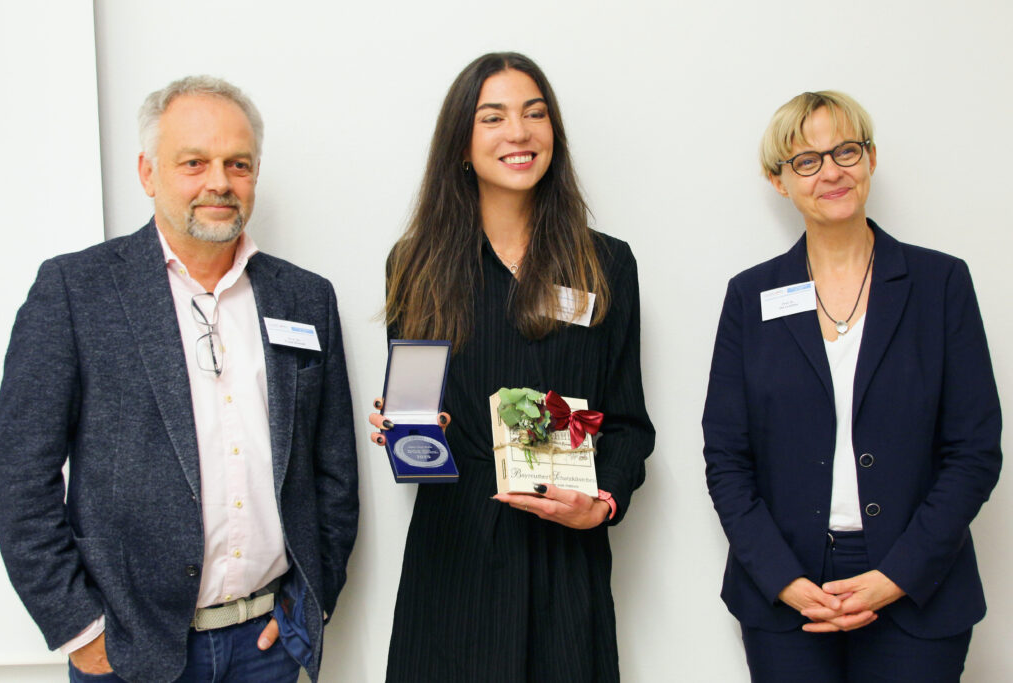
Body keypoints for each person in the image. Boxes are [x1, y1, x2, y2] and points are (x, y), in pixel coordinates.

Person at [0, 75, 358, 682]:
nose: (219, 181)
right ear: (147, 172)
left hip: (267, 646)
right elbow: (19, 476)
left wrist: (308, 606)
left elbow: (334, 472)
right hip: (131, 654)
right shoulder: (76, 292)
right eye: (194, 162)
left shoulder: (304, 298)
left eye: (237, 164)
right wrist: (79, 628)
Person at [367, 52, 654, 681]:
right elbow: (417, 414)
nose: (518, 133)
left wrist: (604, 502)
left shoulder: (605, 265)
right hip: (456, 558)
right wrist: (410, 431)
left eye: (534, 114)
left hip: (565, 561)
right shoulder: (417, 265)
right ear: (462, 146)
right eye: (492, 117)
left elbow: (630, 423)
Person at [702, 90, 1002, 682]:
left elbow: (973, 451)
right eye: (806, 160)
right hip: (785, 590)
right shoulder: (750, 296)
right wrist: (782, 578)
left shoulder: (941, 283)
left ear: (870, 158)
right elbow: (726, 457)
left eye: (845, 150)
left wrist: (897, 576)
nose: (831, 171)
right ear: (778, 180)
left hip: (918, 587)